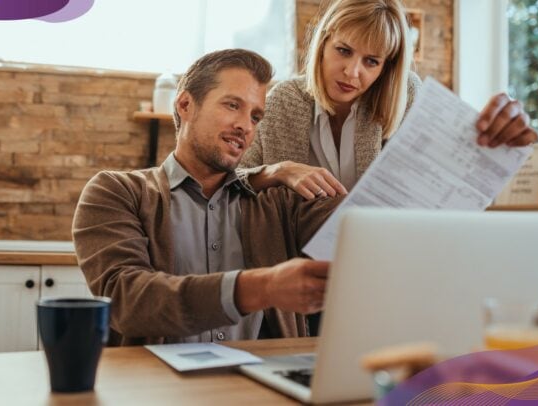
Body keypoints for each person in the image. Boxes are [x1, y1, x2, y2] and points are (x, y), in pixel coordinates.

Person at [72, 49, 342, 346]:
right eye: (232, 105)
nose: (246, 126)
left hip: (259, 384)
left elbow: (354, 230)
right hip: (158, 386)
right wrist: (262, 287)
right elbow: (127, 299)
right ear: (186, 104)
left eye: (255, 116)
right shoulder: (116, 192)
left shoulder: (278, 202)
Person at [240, 0, 538, 199]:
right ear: (323, 44)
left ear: (386, 67)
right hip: (293, 266)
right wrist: (279, 171)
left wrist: (499, 133)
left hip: (383, 257)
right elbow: (232, 181)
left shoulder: (406, 95)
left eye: (371, 61)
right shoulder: (282, 100)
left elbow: (445, 169)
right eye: (343, 50)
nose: (352, 72)